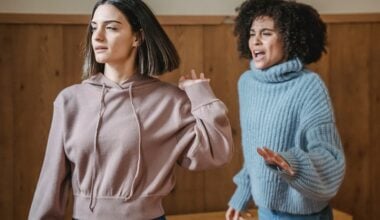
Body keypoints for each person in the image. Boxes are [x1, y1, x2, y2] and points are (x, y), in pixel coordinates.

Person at [28, 0, 234, 219]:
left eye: (111, 27)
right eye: (94, 27)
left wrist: (201, 97)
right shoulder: (70, 100)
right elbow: (51, 180)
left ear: (137, 37)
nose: (97, 37)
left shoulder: (170, 101)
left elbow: (217, 153)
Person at [226, 0, 345, 219]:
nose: (255, 41)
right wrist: (242, 192)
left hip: (305, 214)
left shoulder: (309, 86)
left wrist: (293, 163)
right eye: (252, 33)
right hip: (265, 212)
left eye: (266, 33)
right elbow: (253, 152)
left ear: (290, 40)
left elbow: (330, 157)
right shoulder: (247, 83)